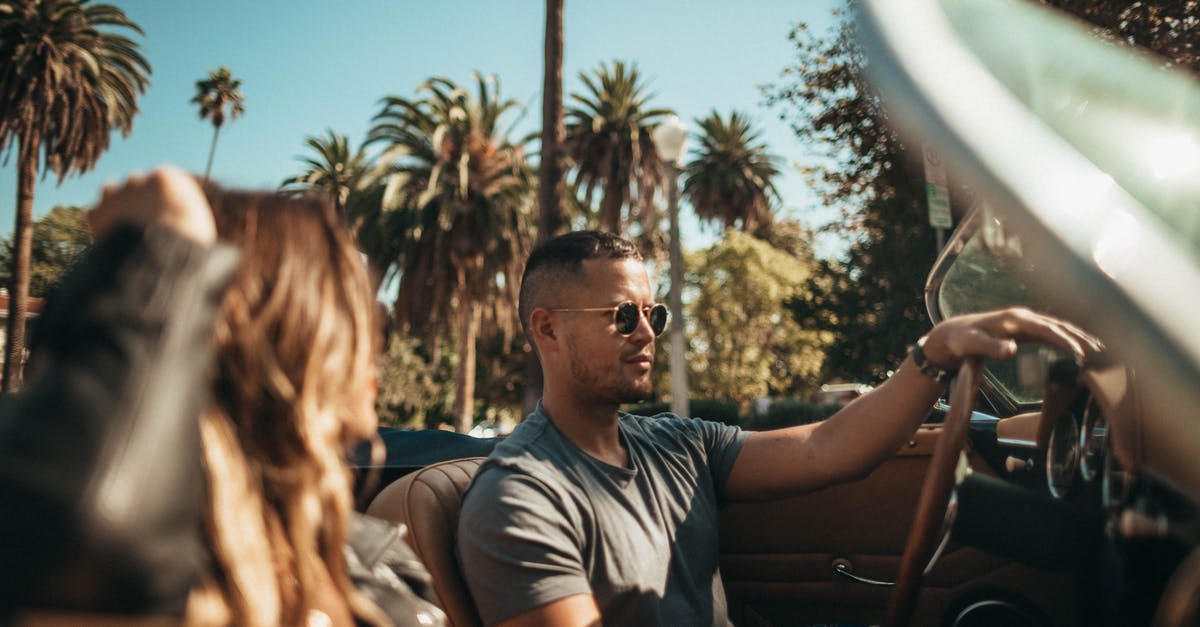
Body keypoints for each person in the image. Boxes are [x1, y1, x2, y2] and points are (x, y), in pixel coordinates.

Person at [457, 230, 1098, 626]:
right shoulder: (520, 498)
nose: (649, 331)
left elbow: (826, 448)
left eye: (653, 311)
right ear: (546, 328)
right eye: (623, 316)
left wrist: (933, 353)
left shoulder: (676, 443)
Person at [0, 168, 444, 627]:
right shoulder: (93, 560)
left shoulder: (374, 576)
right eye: (361, 340)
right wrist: (167, 253)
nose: (373, 379)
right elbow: (83, 542)